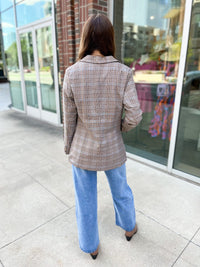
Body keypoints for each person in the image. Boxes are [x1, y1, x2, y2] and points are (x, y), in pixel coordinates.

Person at [63, 14, 142, 260]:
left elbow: (70, 119)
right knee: (121, 190)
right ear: (110, 38)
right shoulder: (123, 72)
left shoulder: (72, 73)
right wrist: (120, 127)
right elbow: (135, 115)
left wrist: (69, 147)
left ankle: (91, 246)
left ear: (86, 38)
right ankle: (129, 227)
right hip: (112, 146)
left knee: (84, 199)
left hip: (82, 149)